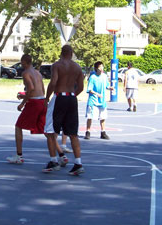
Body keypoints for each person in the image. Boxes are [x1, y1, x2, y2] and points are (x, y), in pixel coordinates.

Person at [6, 54, 68, 167]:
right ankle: (62, 155)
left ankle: (19, 156)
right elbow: (41, 90)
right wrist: (25, 95)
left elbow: (31, 88)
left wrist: (23, 103)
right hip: (42, 101)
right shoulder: (38, 73)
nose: (21, 64)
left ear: (24, 62)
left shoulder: (26, 73)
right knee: (47, 132)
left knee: (18, 126)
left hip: (34, 103)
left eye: (22, 62)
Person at [43, 45, 85, 176]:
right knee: (73, 134)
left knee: (50, 131)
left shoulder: (57, 65)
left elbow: (54, 82)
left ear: (61, 53)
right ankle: (78, 163)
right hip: (72, 98)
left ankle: (53, 161)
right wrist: (72, 95)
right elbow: (81, 87)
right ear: (72, 53)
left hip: (59, 97)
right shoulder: (77, 67)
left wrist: (47, 97)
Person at [84, 61, 113, 140]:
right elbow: (89, 89)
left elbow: (107, 85)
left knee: (103, 117)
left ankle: (103, 132)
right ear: (96, 68)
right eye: (100, 67)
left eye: (102, 66)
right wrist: (97, 94)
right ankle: (88, 132)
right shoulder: (93, 77)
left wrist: (110, 88)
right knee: (90, 117)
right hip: (93, 101)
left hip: (102, 101)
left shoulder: (104, 76)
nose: (102, 68)